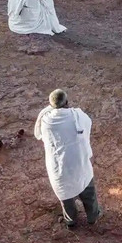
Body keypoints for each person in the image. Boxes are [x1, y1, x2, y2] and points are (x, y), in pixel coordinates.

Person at [33, 90, 101, 228]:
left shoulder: (46, 122)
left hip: (59, 169)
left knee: (66, 197)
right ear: (67, 102)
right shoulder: (78, 116)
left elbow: (38, 133)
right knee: (88, 193)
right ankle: (93, 217)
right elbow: (88, 123)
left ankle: (71, 221)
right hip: (79, 164)